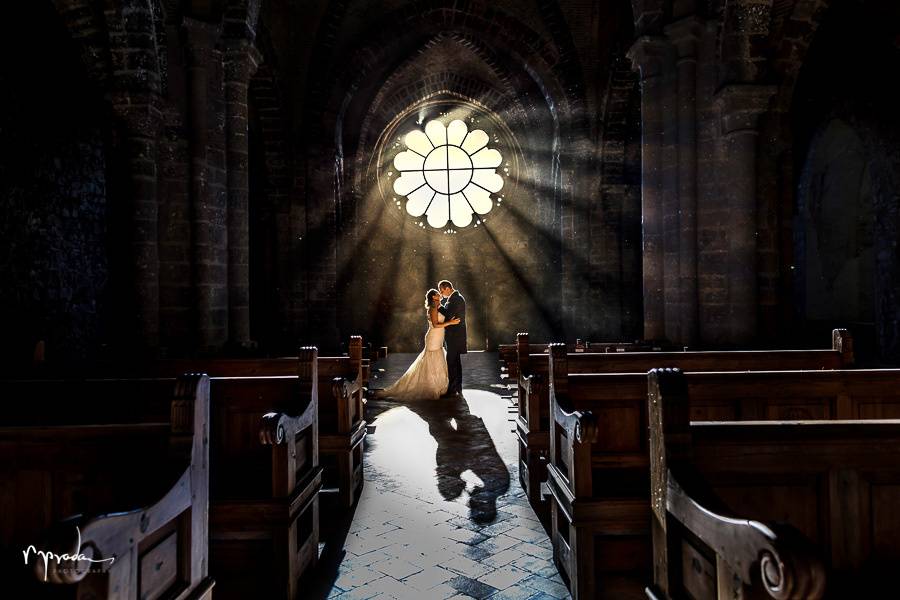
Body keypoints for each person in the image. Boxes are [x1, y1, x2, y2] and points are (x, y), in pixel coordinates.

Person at [377, 289, 461, 401]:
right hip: (433, 338)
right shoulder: (432, 309)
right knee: (432, 360)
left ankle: (440, 386)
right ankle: (431, 387)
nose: (439, 294)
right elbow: (435, 325)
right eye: (437, 294)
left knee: (439, 359)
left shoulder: (440, 307)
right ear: (433, 298)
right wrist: (450, 322)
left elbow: (445, 317)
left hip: (439, 338)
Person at [437, 280, 467, 397]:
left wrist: (439, 307)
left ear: (448, 288)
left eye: (442, 290)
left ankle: (452, 390)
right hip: (456, 335)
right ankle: (457, 388)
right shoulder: (455, 298)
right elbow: (450, 315)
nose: (441, 293)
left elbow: (448, 316)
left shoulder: (456, 299)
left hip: (455, 336)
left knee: (452, 363)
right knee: (455, 362)